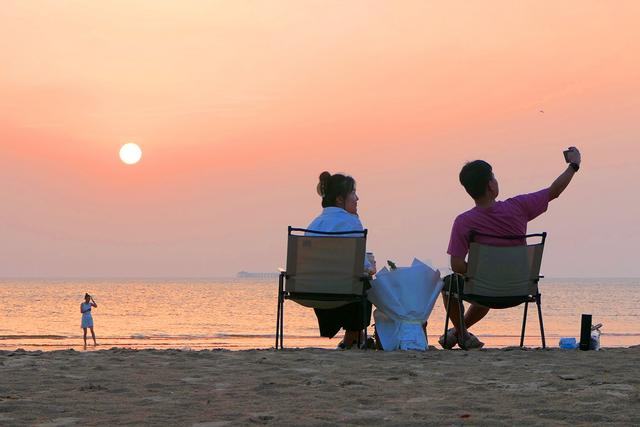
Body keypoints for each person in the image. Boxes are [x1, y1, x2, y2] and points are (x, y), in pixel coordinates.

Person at [441, 147, 582, 349]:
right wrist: (574, 165)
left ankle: (459, 333)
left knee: (448, 285)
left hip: (485, 290)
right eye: (495, 178)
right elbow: (554, 191)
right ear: (491, 186)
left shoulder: (464, 221)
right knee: (485, 285)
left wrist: (479, 272)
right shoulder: (519, 207)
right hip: (520, 289)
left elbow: (456, 264)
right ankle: (460, 333)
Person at [306, 171, 376, 349]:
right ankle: (350, 339)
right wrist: (370, 267)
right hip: (344, 293)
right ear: (339, 199)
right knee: (366, 282)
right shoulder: (352, 223)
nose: (357, 198)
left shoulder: (313, 225)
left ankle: (356, 338)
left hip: (315, 293)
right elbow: (362, 266)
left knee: (357, 282)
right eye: (353, 193)